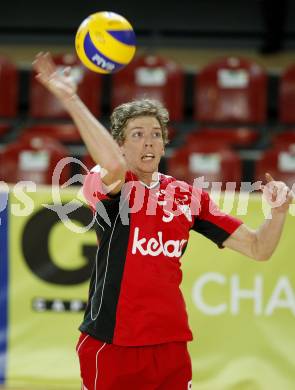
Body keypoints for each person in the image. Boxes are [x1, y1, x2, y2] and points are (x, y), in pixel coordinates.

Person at [33, 52, 293, 390]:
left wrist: (279, 213)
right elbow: (111, 165)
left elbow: (259, 249)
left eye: (156, 134)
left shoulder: (187, 196)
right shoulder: (107, 180)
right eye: (138, 134)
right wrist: (70, 97)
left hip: (169, 344)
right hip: (112, 344)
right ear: (121, 145)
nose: (150, 142)